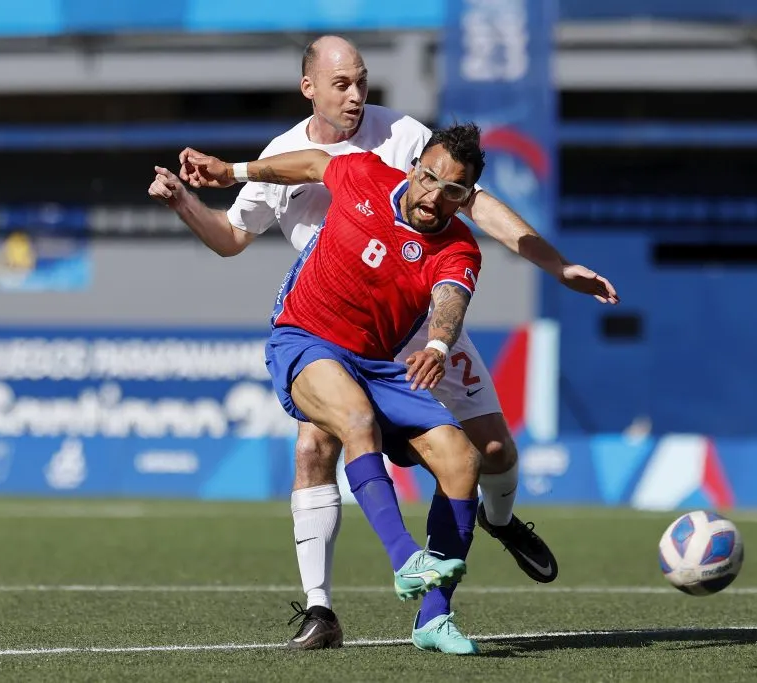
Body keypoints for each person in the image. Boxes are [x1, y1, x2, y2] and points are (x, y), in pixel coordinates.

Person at [147, 34, 618, 651]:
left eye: (362, 82)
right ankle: (323, 609)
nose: (356, 95)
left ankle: (495, 524)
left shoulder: (402, 138)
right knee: (322, 440)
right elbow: (232, 237)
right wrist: (191, 198)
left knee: (491, 451)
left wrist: (556, 267)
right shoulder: (288, 154)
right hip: (328, 326)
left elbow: (473, 205)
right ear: (308, 87)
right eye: (341, 84)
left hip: (418, 327)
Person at [181, 123, 491, 655]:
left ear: (465, 199)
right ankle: (403, 559)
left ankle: (433, 618)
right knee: (353, 420)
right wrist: (230, 172)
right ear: (414, 167)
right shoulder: (365, 174)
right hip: (303, 338)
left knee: (463, 461)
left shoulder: (459, 247)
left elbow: (450, 303)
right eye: (429, 177)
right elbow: (309, 164)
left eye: (453, 191)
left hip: (376, 363)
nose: (434, 195)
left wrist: (438, 346)